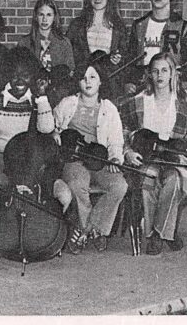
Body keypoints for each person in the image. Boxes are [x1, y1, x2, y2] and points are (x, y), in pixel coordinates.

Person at [0, 47, 70, 268]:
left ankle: (45, 238)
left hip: (32, 164)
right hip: (0, 160)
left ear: (32, 77)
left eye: (25, 75)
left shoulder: (36, 101)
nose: (19, 80)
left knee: (64, 194)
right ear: (7, 74)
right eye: (14, 74)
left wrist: (42, 98)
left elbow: (46, 129)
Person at [120, 52, 187, 254]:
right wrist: (127, 151)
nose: (160, 75)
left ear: (173, 73)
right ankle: (167, 233)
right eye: (155, 71)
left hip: (176, 157)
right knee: (148, 179)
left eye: (165, 70)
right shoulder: (138, 101)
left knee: (173, 180)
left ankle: (158, 234)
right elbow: (124, 130)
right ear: (150, 75)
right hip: (147, 157)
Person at [54, 61, 128, 253]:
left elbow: (116, 141)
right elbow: (52, 128)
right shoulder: (68, 103)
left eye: (93, 77)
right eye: (83, 78)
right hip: (74, 160)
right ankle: (92, 232)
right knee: (78, 183)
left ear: (100, 81)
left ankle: (89, 230)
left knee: (120, 186)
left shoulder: (109, 108)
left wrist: (114, 158)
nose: (88, 82)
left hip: (99, 159)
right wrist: (56, 136)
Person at [125, 0, 187, 94]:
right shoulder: (139, 25)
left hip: (172, 87)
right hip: (143, 87)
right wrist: (129, 82)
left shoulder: (183, 27)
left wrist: (181, 84)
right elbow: (130, 59)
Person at [66, 0, 129, 98]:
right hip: (82, 85)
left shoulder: (118, 26)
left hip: (109, 87)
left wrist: (117, 59)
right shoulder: (77, 25)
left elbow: (125, 56)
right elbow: (68, 55)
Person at [17, 0, 74, 75]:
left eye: (49, 15)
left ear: (54, 17)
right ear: (36, 16)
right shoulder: (24, 43)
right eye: (41, 14)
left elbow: (70, 72)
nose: (44, 19)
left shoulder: (64, 43)